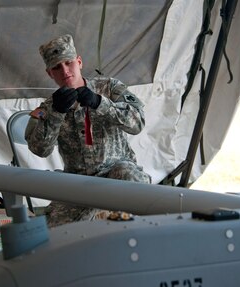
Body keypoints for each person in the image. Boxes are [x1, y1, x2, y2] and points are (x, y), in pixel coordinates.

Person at [25, 34, 151, 227]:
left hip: (116, 173)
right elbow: (40, 150)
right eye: (57, 67)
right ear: (50, 73)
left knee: (132, 180)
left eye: (69, 63)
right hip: (78, 183)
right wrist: (56, 114)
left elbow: (138, 123)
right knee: (51, 234)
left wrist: (100, 103)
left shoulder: (109, 87)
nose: (65, 71)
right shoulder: (49, 106)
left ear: (79, 62)